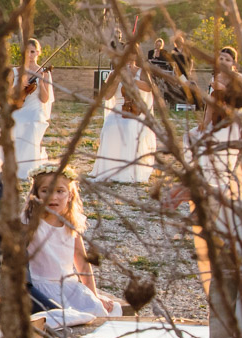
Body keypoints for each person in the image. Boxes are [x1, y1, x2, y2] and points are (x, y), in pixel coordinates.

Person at [26, 166, 117, 322]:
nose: (53, 197)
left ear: (70, 195)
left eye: (60, 191)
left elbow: (82, 262)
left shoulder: (70, 224)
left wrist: (93, 294)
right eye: (45, 190)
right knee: (63, 319)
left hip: (69, 286)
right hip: (42, 287)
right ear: (35, 195)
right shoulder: (30, 224)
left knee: (103, 310)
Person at [90, 72, 157, 184]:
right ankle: (108, 168)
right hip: (118, 108)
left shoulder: (142, 71)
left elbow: (150, 88)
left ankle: (129, 170)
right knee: (108, 126)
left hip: (135, 110)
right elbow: (107, 96)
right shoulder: (113, 73)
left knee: (129, 127)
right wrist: (117, 79)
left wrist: (132, 81)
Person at [9, 37, 53, 177]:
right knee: (15, 121)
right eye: (26, 52)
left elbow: (44, 99)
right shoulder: (15, 72)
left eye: (33, 52)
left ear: (38, 52)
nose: (29, 55)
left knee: (33, 123)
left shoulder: (44, 72)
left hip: (35, 109)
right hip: (18, 107)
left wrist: (41, 81)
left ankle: (29, 167)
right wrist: (18, 86)